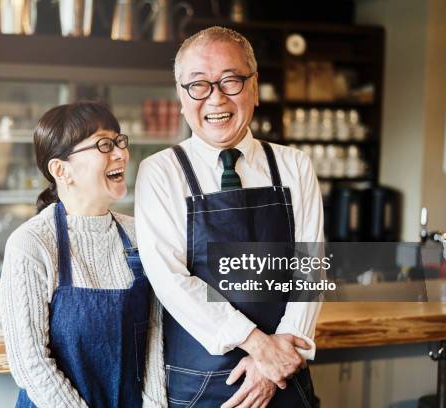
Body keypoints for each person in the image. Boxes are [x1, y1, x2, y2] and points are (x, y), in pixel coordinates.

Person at [135, 26, 323, 408]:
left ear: (254, 87)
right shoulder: (160, 171)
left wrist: (277, 358)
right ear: (181, 96)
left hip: (287, 376)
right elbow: (171, 281)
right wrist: (257, 344)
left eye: (231, 80)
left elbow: (311, 267)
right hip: (203, 384)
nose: (215, 98)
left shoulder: (294, 165)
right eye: (198, 85)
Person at [0, 101, 166, 408]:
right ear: (61, 170)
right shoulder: (32, 244)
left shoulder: (139, 235)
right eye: (104, 144)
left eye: (119, 141)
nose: (120, 154)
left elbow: (154, 335)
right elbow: (30, 363)